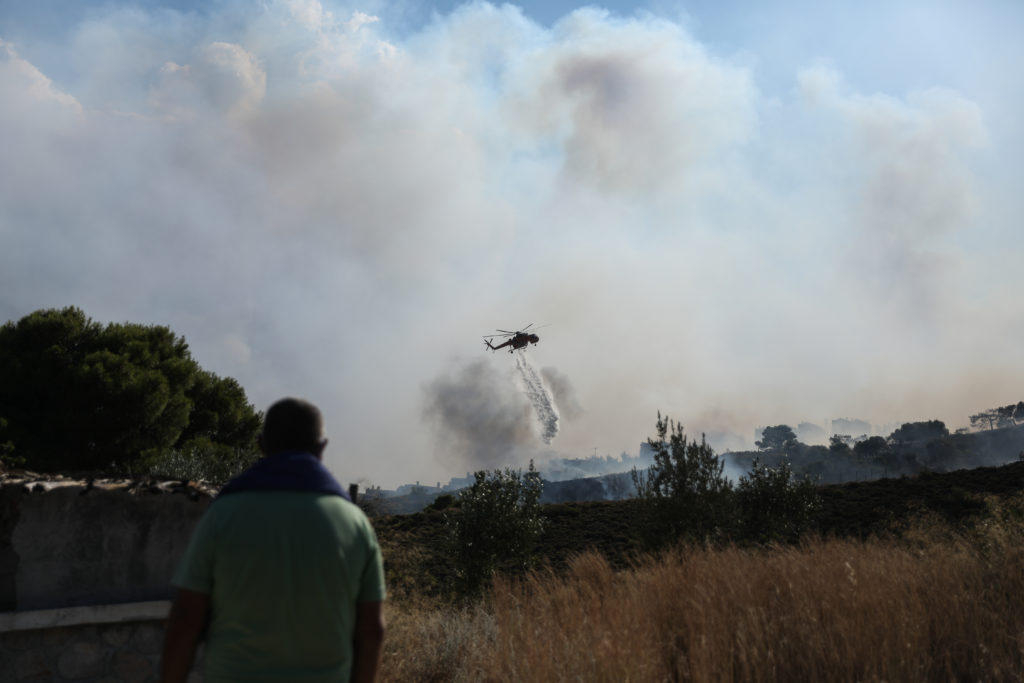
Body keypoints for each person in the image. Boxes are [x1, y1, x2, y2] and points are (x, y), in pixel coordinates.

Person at [161, 397, 386, 682]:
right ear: (322, 448)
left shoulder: (222, 515)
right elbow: (372, 632)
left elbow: (185, 619)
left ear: (261, 444)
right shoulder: (355, 524)